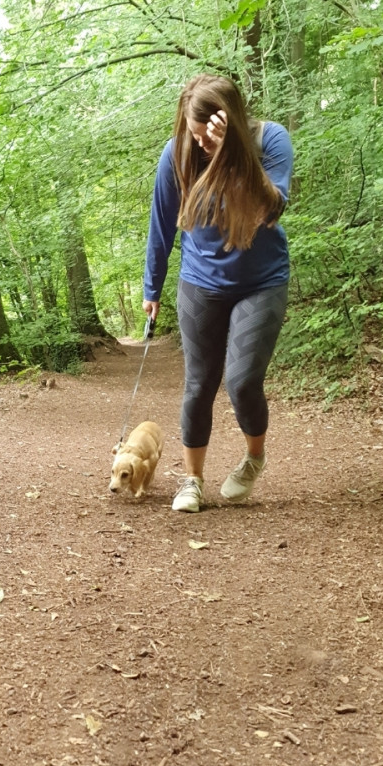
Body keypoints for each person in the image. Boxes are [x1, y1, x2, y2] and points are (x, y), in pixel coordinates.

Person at [142, 74, 293, 513]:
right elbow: (161, 222)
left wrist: (235, 152)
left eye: (208, 137)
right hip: (200, 282)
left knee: (243, 382)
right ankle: (192, 480)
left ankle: (253, 457)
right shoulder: (176, 155)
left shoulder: (271, 141)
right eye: (194, 135)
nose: (201, 145)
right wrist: (152, 286)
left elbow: (273, 207)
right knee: (199, 383)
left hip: (261, 281)